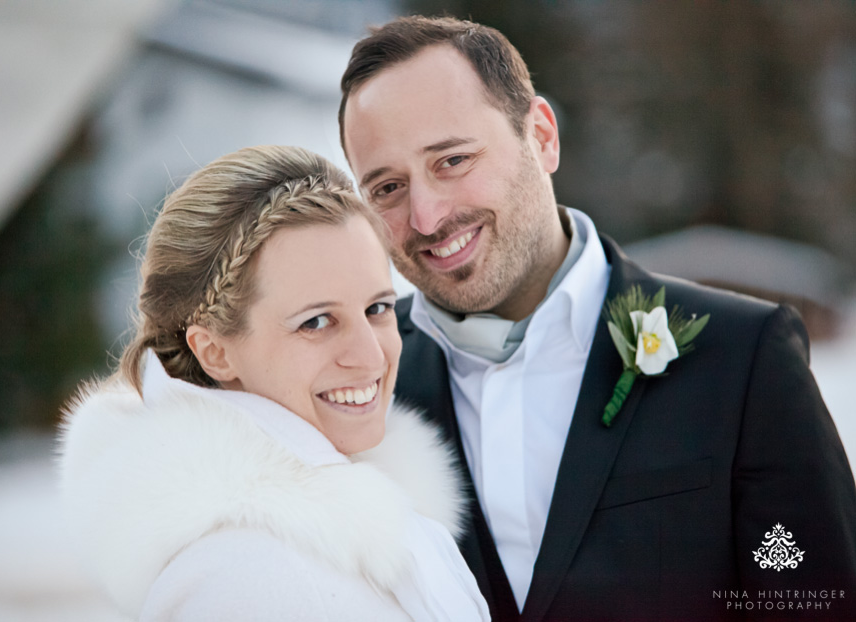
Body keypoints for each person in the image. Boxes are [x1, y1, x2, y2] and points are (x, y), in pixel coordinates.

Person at [338, 15, 856, 622]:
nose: (426, 217)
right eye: (387, 189)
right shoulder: (354, 380)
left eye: (451, 160)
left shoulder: (743, 358)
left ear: (542, 137)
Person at [58, 145, 491, 621]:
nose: (370, 356)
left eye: (378, 309)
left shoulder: (369, 526)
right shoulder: (243, 579)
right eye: (317, 321)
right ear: (215, 351)